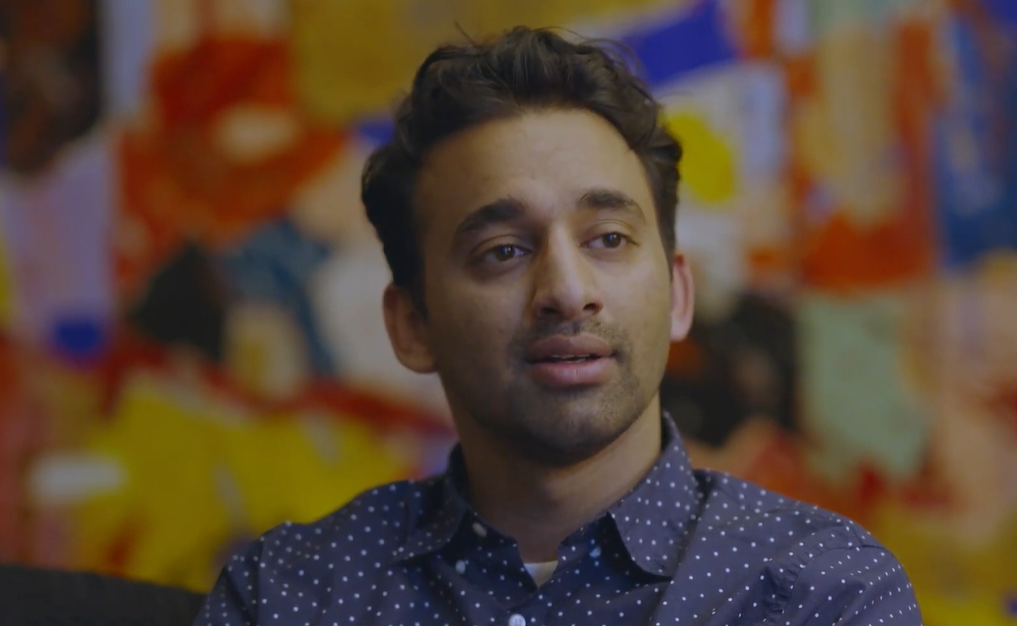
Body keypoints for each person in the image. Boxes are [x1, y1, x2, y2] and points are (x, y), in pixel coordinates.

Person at [196, 27, 922, 626]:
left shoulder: (821, 596)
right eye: (503, 251)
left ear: (675, 295)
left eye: (606, 238)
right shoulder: (292, 598)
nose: (567, 291)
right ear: (412, 324)